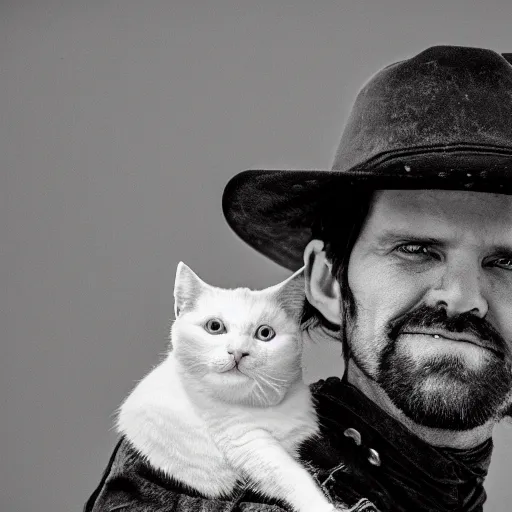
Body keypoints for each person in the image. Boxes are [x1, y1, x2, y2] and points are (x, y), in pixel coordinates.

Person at [84, 45, 512, 512]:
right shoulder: (199, 474)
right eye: (416, 250)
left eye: (508, 263)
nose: (462, 297)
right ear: (328, 283)